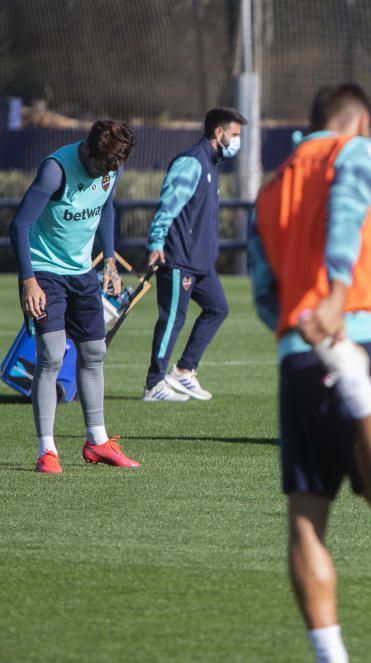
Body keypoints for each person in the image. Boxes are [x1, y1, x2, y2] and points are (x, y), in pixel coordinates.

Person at [249, 83, 371, 663]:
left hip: (297, 351)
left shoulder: (270, 187)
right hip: (362, 335)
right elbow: (348, 209)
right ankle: (354, 380)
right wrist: (340, 298)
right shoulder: (359, 151)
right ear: (361, 122)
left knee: (305, 518)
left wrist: (304, 328)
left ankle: (331, 659)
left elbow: (264, 290)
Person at [9, 119, 141, 473]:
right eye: (105, 165)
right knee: (51, 355)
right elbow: (19, 224)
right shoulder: (55, 171)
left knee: (94, 352)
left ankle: (97, 442)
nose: (109, 172)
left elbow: (106, 207)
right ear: (89, 149)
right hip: (45, 273)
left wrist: (110, 260)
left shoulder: (110, 166)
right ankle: (46, 451)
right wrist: (28, 280)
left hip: (83, 273)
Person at [142, 107, 247, 401]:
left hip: (201, 262)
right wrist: (156, 242)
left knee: (218, 308)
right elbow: (168, 206)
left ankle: (185, 371)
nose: (238, 141)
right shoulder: (191, 162)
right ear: (219, 133)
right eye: (235, 135)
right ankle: (153, 384)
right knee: (173, 319)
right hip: (179, 259)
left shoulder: (213, 163)